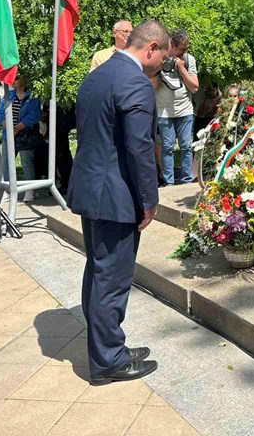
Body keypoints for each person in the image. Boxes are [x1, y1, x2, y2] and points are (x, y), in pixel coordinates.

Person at [67, 19, 169, 383]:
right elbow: (139, 147)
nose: (161, 66)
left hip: (93, 190)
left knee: (98, 272)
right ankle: (108, 359)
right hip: (116, 196)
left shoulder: (96, 76)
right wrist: (149, 199)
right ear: (152, 48)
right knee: (111, 279)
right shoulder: (135, 82)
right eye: (162, 58)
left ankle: (109, 346)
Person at [155, 28, 199, 185]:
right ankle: (169, 182)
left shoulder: (188, 60)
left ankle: (186, 180)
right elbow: (151, 86)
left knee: (186, 147)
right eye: (182, 49)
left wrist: (181, 68)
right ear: (171, 45)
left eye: (186, 49)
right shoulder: (158, 58)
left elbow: (194, 87)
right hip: (164, 111)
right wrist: (158, 70)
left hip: (185, 110)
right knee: (167, 148)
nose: (184, 52)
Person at [0, 77, 41, 204]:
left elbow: (34, 115)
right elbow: (0, 115)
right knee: (6, 163)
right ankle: (8, 191)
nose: (13, 80)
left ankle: (29, 190)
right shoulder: (9, 95)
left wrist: (19, 127)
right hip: (9, 135)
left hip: (25, 135)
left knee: (26, 162)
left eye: (16, 78)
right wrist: (9, 128)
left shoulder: (32, 96)